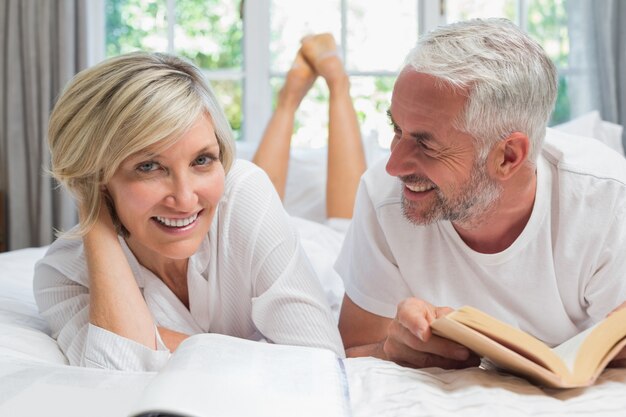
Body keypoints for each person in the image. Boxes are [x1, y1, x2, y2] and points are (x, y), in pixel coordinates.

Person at [335, 18, 626, 370]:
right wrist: (389, 350)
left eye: (425, 144)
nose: (393, 166)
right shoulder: (383, 197)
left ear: (508, 157)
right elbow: (353, 352)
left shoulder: (606, 200)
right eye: (397, 129)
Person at [33, 52, 344, 371]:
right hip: (239, 231)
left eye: (202, 159)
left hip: (325, 241)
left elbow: (321, 363)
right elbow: (118, 369)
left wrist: (162, 342)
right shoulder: (62, 275)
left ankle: (330, 84)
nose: (183, 199)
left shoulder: (242, 190)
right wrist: (91, 203)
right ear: (95, 177)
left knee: (335, 220)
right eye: (148, 166)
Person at [252, 33, 366, 220]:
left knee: (253, 223)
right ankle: (338, 82)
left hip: (270, 243)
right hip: (328, 245)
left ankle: (288, 99)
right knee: (346, 227)